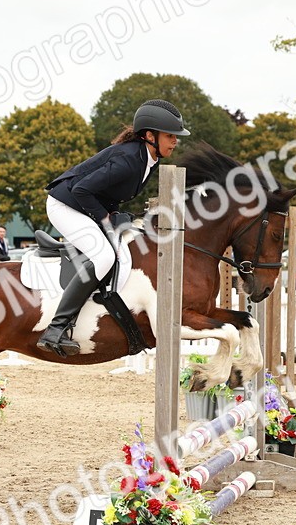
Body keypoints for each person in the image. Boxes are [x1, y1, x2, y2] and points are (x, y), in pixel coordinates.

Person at [35, 99, 188, 357]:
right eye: (170, 136)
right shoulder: (129, 160)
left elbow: (104, 192)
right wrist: (105, 219)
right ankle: (56, 328)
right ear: (150, 135)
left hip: (81, 204)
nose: (175, 141)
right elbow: (82, 189)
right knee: (104, 255)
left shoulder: (147, 159)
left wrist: (114, 214)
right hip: (65, 205)